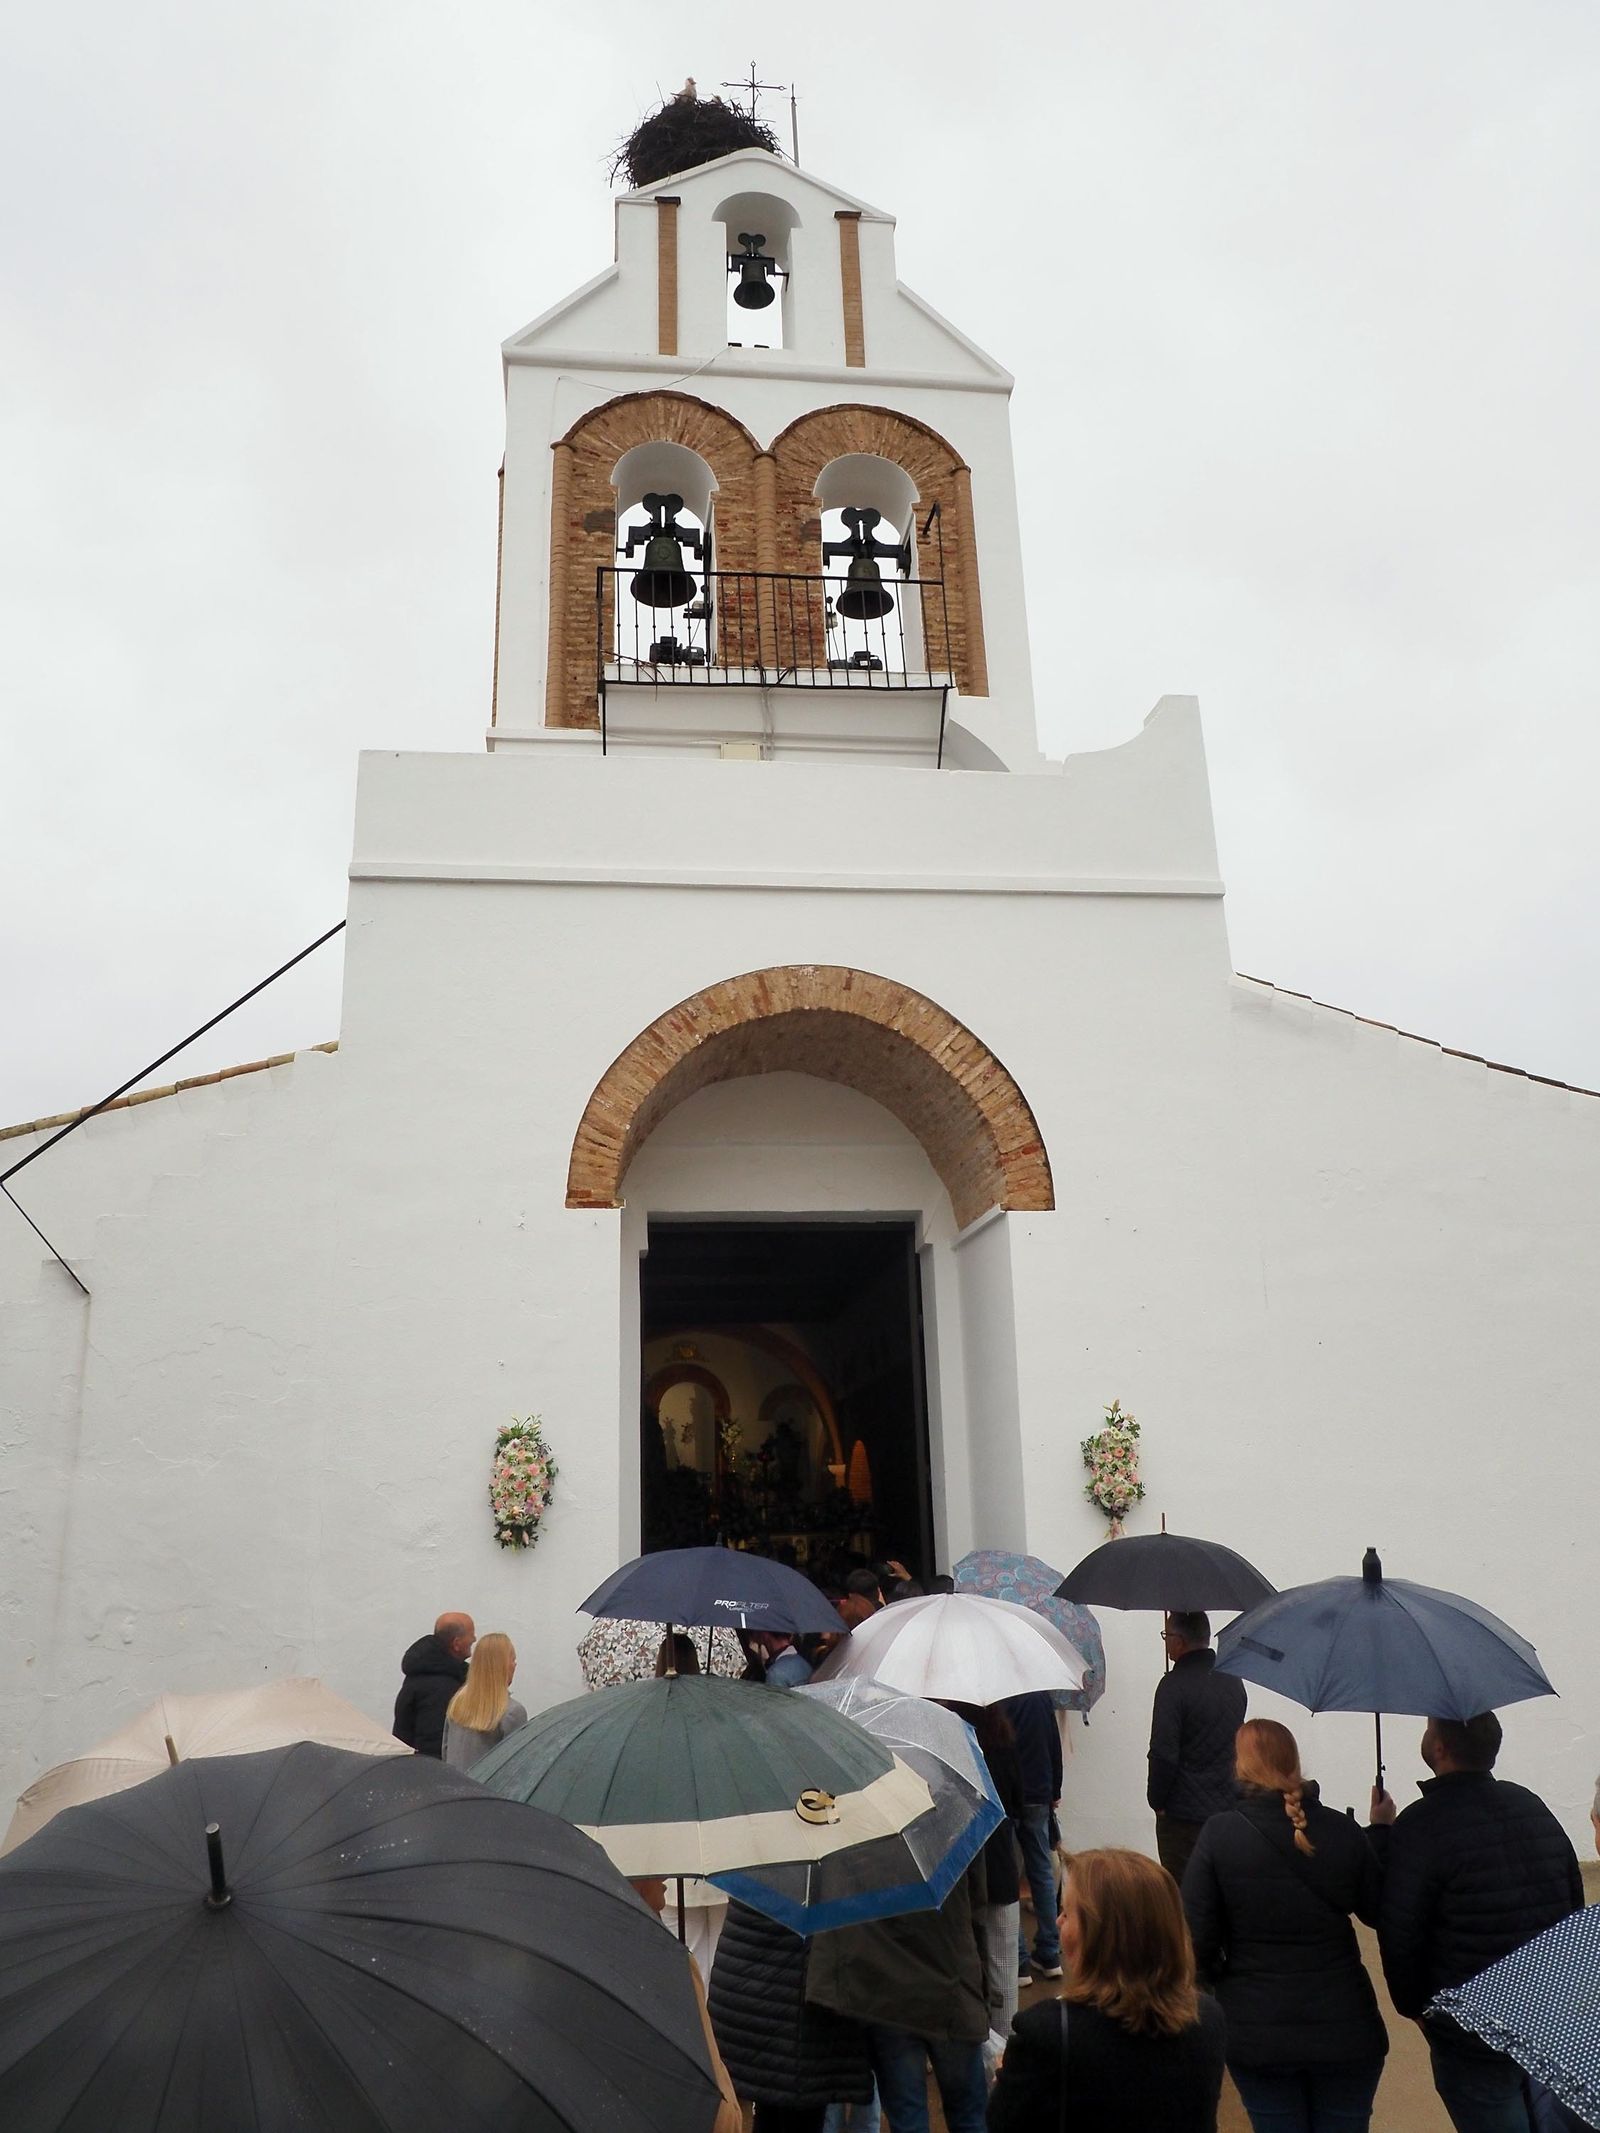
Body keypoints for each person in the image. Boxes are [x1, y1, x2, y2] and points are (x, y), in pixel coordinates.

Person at [1369, 1712, 1584, 2133]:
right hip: (1543, 2019)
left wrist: (1414, 2008)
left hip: (1473, 2034)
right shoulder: (1531, 1804)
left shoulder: (1421, 1824)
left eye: (1429, 1728)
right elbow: (1571, 1901)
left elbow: (1400, 1933)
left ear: (1441, 1748)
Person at [1182, 1719, 1388, 2131]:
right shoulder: (1343, 1831)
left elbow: (1196, 1940)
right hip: (1347, 2027)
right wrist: (1380, 1831)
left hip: (1258, 2030)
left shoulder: (1220, 1835)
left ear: (1241, 1768)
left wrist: (1225, 1979)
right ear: (1294, 1762)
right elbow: (1379, 1910)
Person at [987, 1848, 1227, 2132]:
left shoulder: (1048, 2033)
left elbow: (1003, 2123)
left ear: (1101, 1936)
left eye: (1066, 1912)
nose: (1058, 1922)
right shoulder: (1207, 2018)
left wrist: (1008, 2076)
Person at [807, 1856, 991, 2133]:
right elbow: (979, 1897)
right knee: (968, 2115)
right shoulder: (953, 1818)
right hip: (952, 1985)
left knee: (908, 2119)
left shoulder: (853, 1824)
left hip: (889, 1991)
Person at [708, 1898, 874, 2133]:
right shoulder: (815, 1876)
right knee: (794, 2116)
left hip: (750, 2005)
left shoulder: (752, 1869)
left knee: (770, 2111)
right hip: (797, 2023)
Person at [1148, 1611, 1247, 1884]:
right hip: (1227, 1805)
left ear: (1180, 1641)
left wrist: (1156, 1801)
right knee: (1219, 1890)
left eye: (1167, 1635)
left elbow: (1163, 1754)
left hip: (1183, 1816)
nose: (1166, 1641)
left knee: (1184, 1895)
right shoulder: (1232, 1679)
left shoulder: (1172, 1686)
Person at [1001, 1691, 1064, 1984]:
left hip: (1008, 1796)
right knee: (1041, 1871)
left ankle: (1020, 1961)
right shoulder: (1041, 1697)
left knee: (1009, 1875)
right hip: (1039, 1793)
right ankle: (1050, 1953)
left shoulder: (996, 1697)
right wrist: (1055, 1790)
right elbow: (1054, 1744)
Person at [392, 1610, 474, 1758]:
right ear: (456, 1644)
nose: (474, 1639)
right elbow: (435, 1741)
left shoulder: (420, 1674)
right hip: (432, 1771)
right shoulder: (443, 1687)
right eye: (471, 1634)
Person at [441, 1631, 526, 1768]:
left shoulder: (457, 1705)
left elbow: (446, 1752)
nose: (514, 1665)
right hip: (489, 1788)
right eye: (512, 1660)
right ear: (503, 1665)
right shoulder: (512, 1712)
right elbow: (515, 1766)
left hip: (454, 1785)